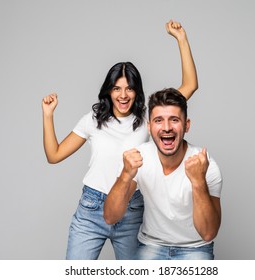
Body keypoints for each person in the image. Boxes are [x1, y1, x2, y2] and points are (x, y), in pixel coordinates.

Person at [42, 20, 198, 260]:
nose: (123, 95)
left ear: (137, 91)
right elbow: (54, 155)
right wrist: (48, 116)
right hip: (91, 209)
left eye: (129, 89)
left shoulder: (149, 116)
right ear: (109, 91)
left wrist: (181, 39)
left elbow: (190, 85)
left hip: (131, 210)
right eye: (116, 88)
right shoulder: (92, 120)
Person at [104, 88, 222, 260]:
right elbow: (110, 217)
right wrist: (125, 175)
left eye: (174, 120)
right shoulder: (138, 158)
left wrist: (198, 182)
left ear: (186, 125)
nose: (166, 128)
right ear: (149, 126)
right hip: (152, 244)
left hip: (195, 248)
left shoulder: (205, 165)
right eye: (158, 120)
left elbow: (209, 233)